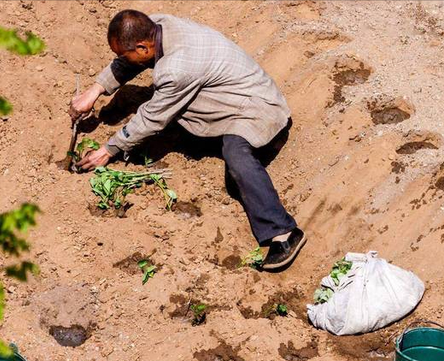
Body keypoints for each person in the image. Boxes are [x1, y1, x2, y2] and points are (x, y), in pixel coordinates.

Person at [69, 10, 306, 270]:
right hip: (233, 92)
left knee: (236, 155)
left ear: (143, 46)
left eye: (124, 55)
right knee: (179, 113)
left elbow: (151, 118)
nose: (122, 60)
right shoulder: (157, 26)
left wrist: (108, 150)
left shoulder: (177, 68)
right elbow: (128, 60)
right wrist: (94, 91)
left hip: (257, 108)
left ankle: (282, 232)